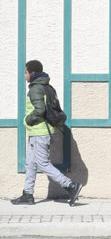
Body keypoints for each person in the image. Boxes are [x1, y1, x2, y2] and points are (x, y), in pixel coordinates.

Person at [11, 60, 82, 206]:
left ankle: (70, 185)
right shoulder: (47, 87)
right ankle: (28, 194)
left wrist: (27, 120)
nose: (25, 75)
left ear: (32, 72)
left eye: (26, 72)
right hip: (39, 132)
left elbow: (40, 110)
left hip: (40, 132)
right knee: (30, 163)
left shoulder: (36, 88)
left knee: (43, 163)